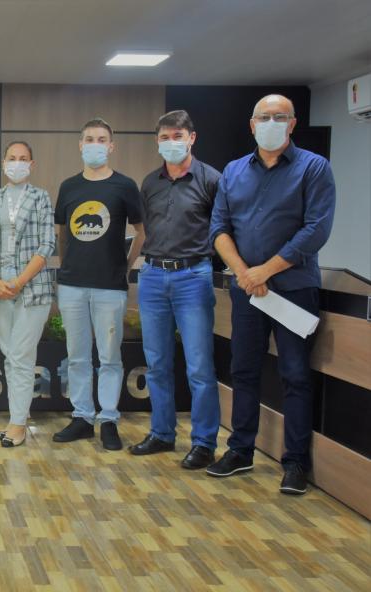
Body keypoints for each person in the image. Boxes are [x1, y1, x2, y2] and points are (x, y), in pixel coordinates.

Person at [208, 94, 335, 495]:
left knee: (295, 374)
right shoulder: (233, 171)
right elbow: (219, 228)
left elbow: (316, 229)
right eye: (264, 117)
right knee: (244, 370)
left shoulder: (314, 168)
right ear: (252, 125)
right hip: (248, 291)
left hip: (294, 289)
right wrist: (245, 273)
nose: (271, 123)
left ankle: (295, 463)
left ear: (293, 124)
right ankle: (240, 450)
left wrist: (266, 270)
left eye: (280, 117)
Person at [128, 110, 221, 469]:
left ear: (191, 138)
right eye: (164, 137)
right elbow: (145, 230)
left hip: (192, 276)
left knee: (199, 367)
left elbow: (224, 229)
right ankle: (162, 433)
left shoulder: (211, 180)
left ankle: (204, 442)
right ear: (157, 141)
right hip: (152, 275)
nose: (171, 143)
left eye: (177, 136)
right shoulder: (150, 182)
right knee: (157, 364)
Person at [52, 118, 145, 451]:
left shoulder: (125, 186)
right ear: (80, 145)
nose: (95, 144)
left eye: (101, 139)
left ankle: (108, 419)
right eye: (89, 139)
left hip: (110, 286)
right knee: (77, 356)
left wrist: (126, 267)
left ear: (111, 146)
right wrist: (67, 267)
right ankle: (81, 417)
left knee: (109, 357)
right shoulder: (68, 186)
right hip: (72, 285)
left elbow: (142, 232)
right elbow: (62, 233)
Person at [0, 141, 55, 448]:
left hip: (32, 288)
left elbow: (47, 245)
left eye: (23, 158)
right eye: (12, 158)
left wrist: (19, 281)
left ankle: (18, 424)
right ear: (3, 162)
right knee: (11, 357)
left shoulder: (41, 197)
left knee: (21, 355)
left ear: (32, 165)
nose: (17, 163)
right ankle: (16, 417)